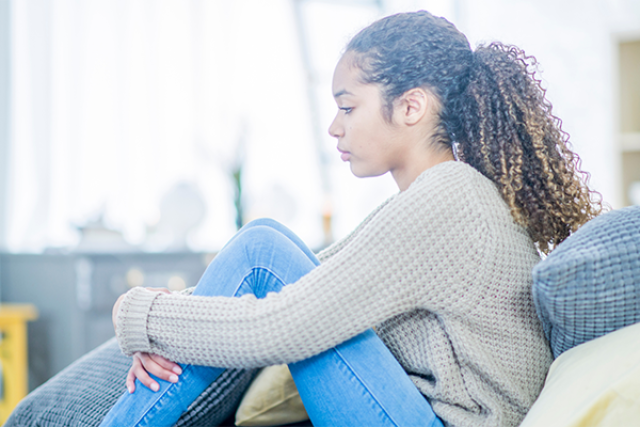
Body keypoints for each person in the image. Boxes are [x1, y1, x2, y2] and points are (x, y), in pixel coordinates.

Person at [101, 10, 602, 427]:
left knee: (262, 248)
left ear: (410, 107)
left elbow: (283, 323)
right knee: (266, 249)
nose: (334, 127)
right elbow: (320, 279)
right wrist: (166, 319)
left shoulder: (449, 200)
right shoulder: (446, 195)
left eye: (348, 107)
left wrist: (139, 314)